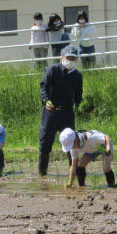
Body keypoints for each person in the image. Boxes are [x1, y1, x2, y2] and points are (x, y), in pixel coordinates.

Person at [38, 45, 83, 175]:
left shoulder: (77, 75)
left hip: (67, 113)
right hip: (51, 112)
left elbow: (78, 96)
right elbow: (44, 87)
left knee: (71, 142)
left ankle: (74, 172)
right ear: (62, 57)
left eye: (73, 58)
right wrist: (46, 100)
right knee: (45, 143)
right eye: (68, 57)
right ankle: (42, 173)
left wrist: (84, 106)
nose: (71, 60)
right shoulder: (52, 70)